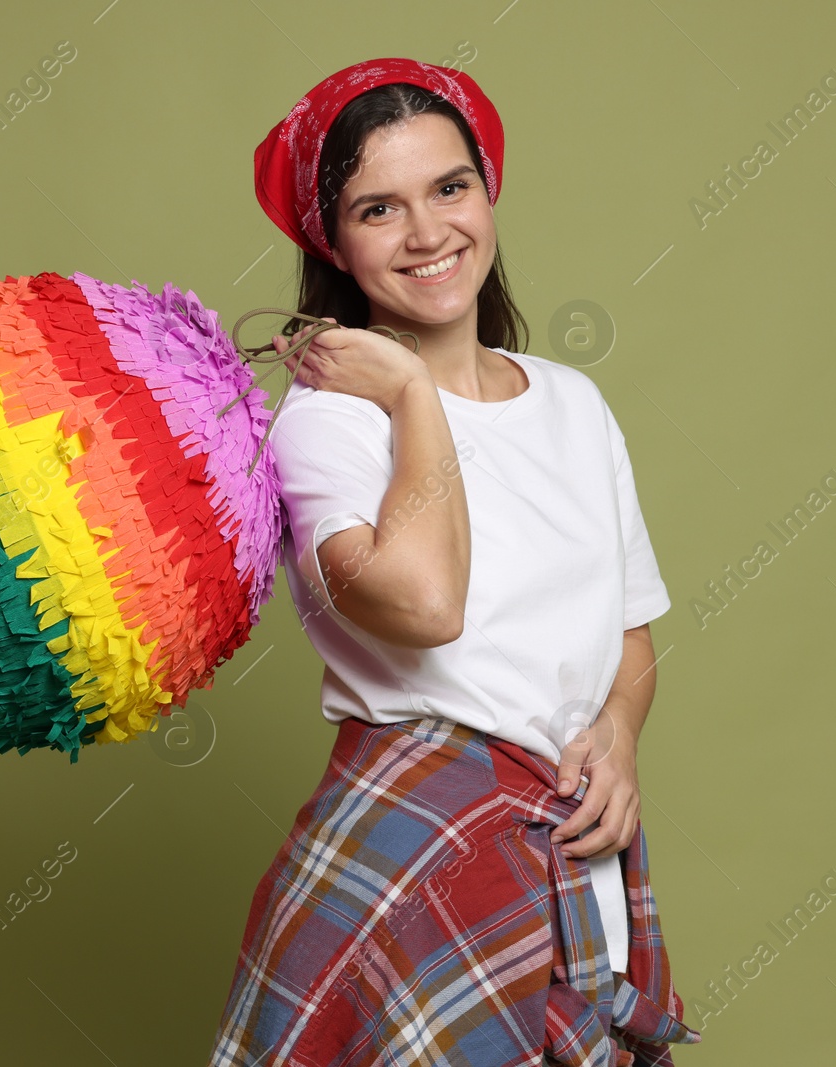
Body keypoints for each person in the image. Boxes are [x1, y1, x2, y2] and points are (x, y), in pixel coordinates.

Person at [211, 58, 700, 1065]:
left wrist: (617, 732)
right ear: (333, 241)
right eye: (377, 208)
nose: (429, 232)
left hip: (571, 858)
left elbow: (627, 624)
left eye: (449, 187)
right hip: (410, 873)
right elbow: (427, 606)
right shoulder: (324, 426)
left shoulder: (573, 402)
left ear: (487, 189)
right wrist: (412, 396)